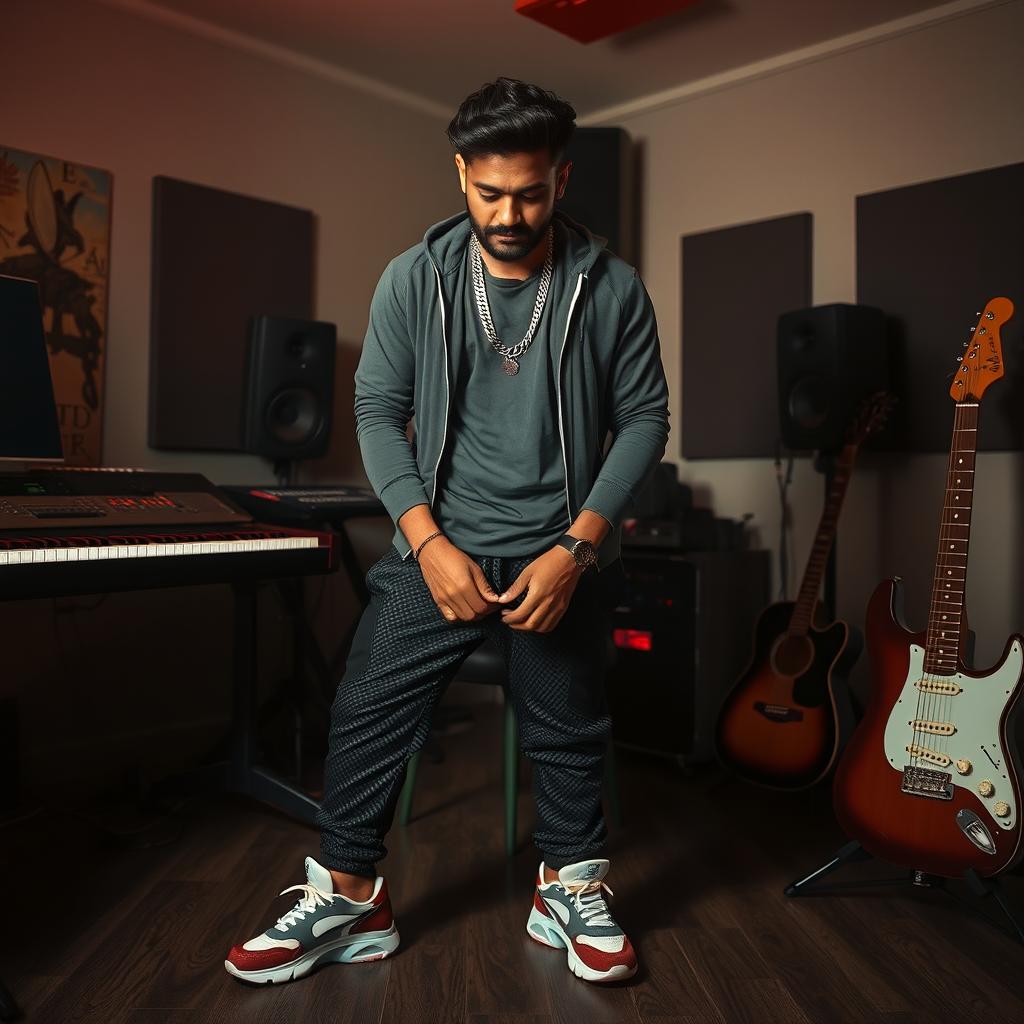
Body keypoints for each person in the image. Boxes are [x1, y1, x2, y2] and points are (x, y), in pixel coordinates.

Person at [225, 77, 669, 987]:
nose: (510, 213)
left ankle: (568, 887)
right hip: (443, 544)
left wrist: (577, 548)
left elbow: (646, 418)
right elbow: (378, 413)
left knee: (567, 718)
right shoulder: (412, 278)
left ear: (562, 177)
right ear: (460, 171)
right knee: (366, 706)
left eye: (533, 192)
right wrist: (428, 543)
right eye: (490, 191)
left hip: (563, 548)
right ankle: (351, 897)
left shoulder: (613, 287)